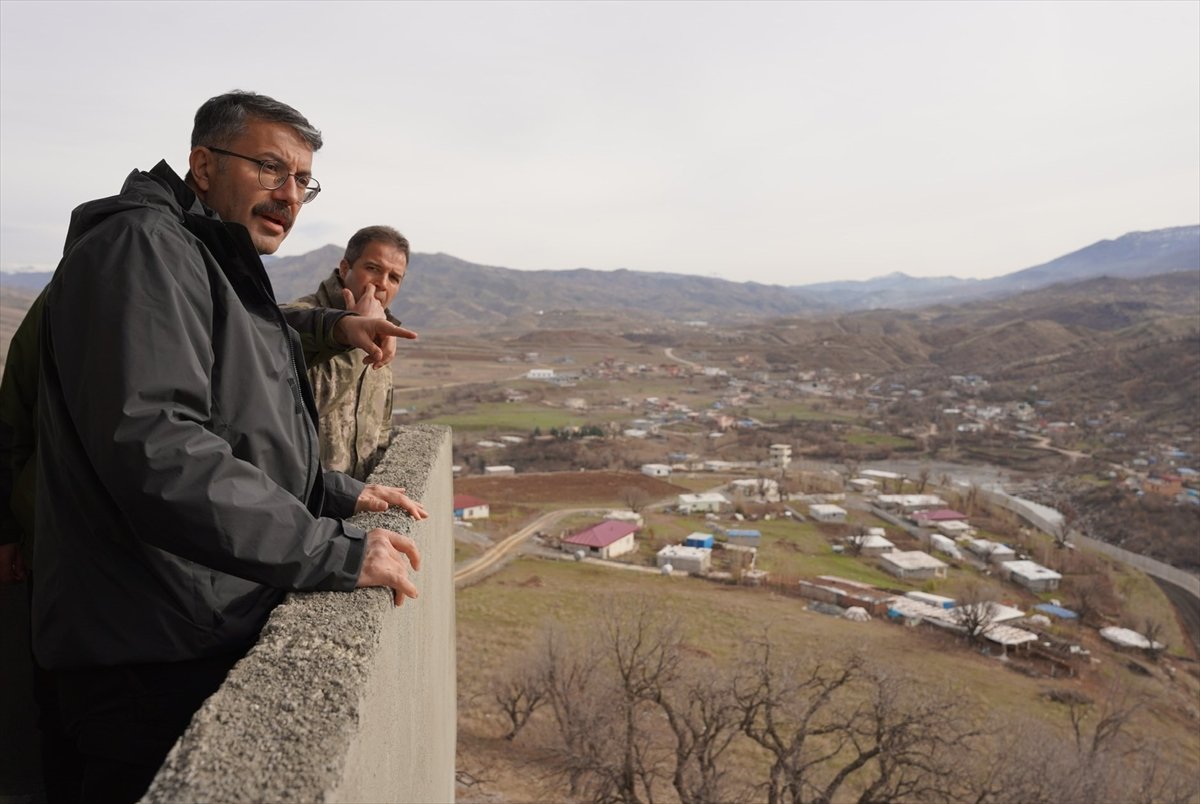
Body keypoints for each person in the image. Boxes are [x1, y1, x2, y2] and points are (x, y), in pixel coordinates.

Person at [28, 90, 427, 803]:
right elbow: (159, 449)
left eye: (303, 180)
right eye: (270, 168)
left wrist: (339, 494)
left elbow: (241, 432)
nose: (290, 195)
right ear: (204, 165)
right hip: (148, 643)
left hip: (183, 619)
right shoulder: (144, 249)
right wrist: (330, 550)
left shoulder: (206, 256)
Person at [284, 225, 410, 480]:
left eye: (394, 278)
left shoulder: (384, 335)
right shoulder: (296, 321)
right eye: (372, 268)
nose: (382, 283)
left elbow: (380, 433)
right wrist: (355, 337)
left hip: (357, 499)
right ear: (344, 268)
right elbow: (299, 410)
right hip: (303, 498)